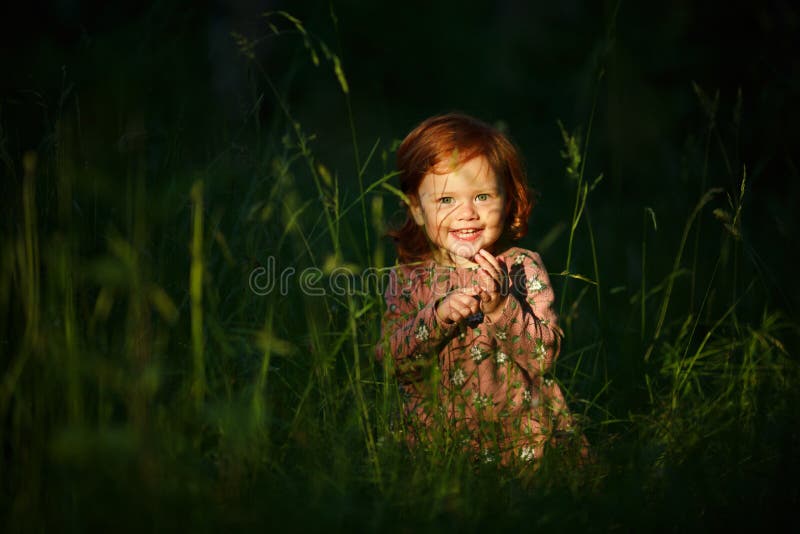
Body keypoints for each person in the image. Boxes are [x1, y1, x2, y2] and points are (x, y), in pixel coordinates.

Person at [376, 112, 582, 466]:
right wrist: (437, 316)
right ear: (417, 209)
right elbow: (392, 361)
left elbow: (543, 357)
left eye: (483, 196)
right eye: (446, 200)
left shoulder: (521, 268)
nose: (467, 213)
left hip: (521, 444)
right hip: (438, 447)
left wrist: (503, 307)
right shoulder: (410, 277)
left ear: (508, 198)